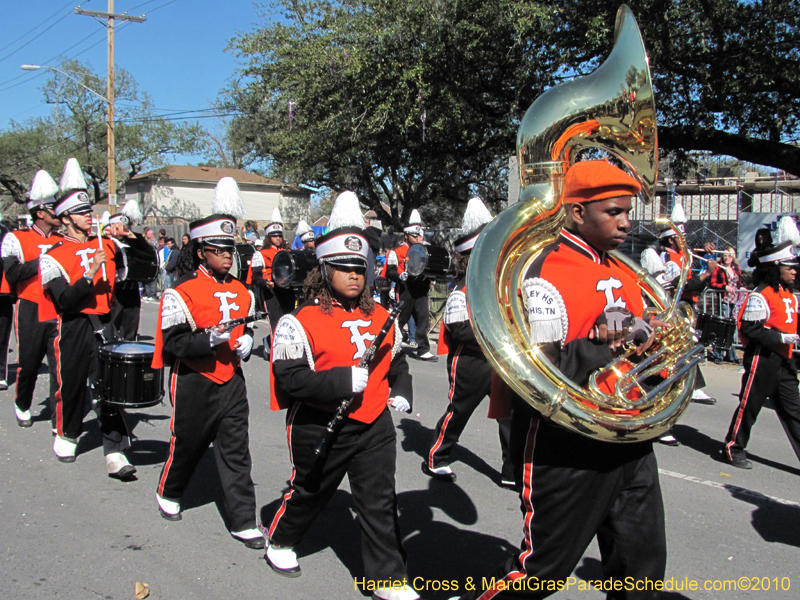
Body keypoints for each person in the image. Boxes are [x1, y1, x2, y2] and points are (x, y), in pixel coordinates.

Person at [459, 160, 666, 600]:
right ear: (577, 212)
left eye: (627, 211)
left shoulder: (627, 273)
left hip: (628, 436)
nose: (626, 222)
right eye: (613, 212)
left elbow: (642, 349)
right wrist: (607, 346)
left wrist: (659, 347)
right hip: (566, 439)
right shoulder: (541, 272)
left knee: (641, 570)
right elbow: (536, 371)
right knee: (541, 574)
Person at [266, 191, 417, 600]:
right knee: (311, 490)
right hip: (321, 422)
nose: (355, 275)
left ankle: (388, 578)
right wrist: (339, 382)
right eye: (345, 268)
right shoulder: (302, 320)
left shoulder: (382, 315)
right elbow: (289, 379)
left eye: (360, 268)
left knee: (379, 500)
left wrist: (401, 391)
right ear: (324, 269)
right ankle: (280, 538)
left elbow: (397, 364)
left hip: (373, 425)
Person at [152, 182, 264, 549]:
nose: (228, 255)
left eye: (231, 248)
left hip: (232, 379)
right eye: (220, 249)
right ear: (201, 252)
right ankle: (170, 489)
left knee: (236, 448)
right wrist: (208, 340)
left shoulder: (243, 291)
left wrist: (246, 341)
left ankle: (244, 519)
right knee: (189, 443)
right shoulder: (180, 291)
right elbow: (173, 344)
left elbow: (244, 327)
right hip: (194, 378)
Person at [39, 158, 152, 477]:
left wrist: (133, 235)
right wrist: (89, 276)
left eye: (89, 211)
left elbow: (146, 266)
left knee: (110, 388)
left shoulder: (108, 244)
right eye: (82, 213)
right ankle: (67, 432)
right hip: (73, 326)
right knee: (71, 384)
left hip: (105, 325)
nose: (89, 217)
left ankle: (114, 451)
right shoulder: (52, 256)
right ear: (65, 219)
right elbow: (64, 300)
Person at [422, 198, 514, 487]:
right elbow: (461, 331)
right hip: (471, 362)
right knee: (459, 411)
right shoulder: (461, 291)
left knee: (509, 416)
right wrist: (500, 336)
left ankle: (512, 470)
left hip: (501, 362)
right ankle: (438, 456)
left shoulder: (505, 285)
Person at [722, 241, 800, 470]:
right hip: (762, 358)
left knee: (794, 411)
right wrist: (780, 338)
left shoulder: (789, 294)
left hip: (785, 360)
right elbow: (750, 328)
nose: (795, 271)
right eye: (790, 267)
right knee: (750, 406)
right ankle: (732, 447)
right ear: (775, 268)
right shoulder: (761, 294)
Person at [2, 170, 63, 425]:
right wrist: (44, 260)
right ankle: (22, 403)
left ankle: (56, 417)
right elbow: (13, 273)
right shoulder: (15, 238)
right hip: (30, 306)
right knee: (29, 363)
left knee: (59, 368)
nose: (59, 215)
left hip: (59, 308)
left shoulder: (64, 240)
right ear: (40, 213)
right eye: (53, 210)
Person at [385, 209, 436, 361]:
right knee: (401, 319)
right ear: (406, 235)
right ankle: (391, 344)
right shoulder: (397, 251)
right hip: (406, 288)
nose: (418, 237)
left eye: (419, 234)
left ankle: (423, 349)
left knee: (423, 319)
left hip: (420, 288)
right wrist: (400, 276)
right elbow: (390, 271)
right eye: (414, 235)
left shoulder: (424, 251)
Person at [107, 201, 152, 341]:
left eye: (124, 226)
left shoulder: (132, 242)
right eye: (118, 226)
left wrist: (130, 235)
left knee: (130, 325)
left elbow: (148, 254)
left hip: (131, 288)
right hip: (114, 288)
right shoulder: (106, 242)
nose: (121, 229)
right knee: (112, 325)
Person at [709, 247, 743, 363]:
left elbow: (738, 282)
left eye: (729, 255)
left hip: (734, 301)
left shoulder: (735, 268)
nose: (726, 257)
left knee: (732, 328)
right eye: (724, 255)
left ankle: (731, 355)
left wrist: (740, 288)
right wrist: (724, 287)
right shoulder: (719, 267)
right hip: (724, 300)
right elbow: (712, 283)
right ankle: (718, 354)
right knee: (723, 327)